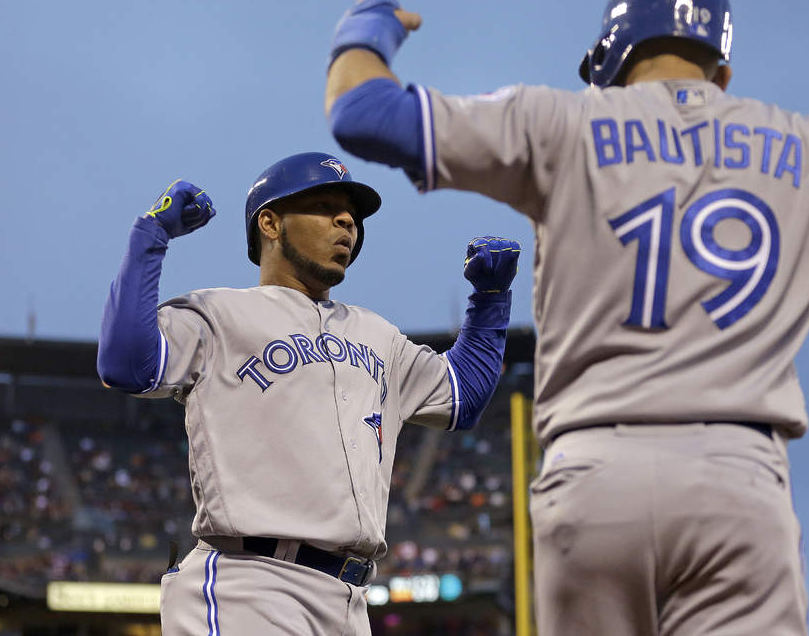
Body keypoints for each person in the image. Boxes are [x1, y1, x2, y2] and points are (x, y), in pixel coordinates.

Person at [322, 0, 809, 635]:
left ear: (613, 58)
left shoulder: (561, 123)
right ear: (722, 74)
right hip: (739, 476)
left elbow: (362, 113)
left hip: (592, 475)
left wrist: (371, 21)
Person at [96, 152, 520, 635]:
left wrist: (489, 300)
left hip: (348, 599)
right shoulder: (217, 315)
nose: (346, 221)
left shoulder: (378, 335)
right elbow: (126, 364)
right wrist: (150, 237)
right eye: (323, 206)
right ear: (270, 223)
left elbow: (463, 395)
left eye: (352, 215)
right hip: (249, 586)